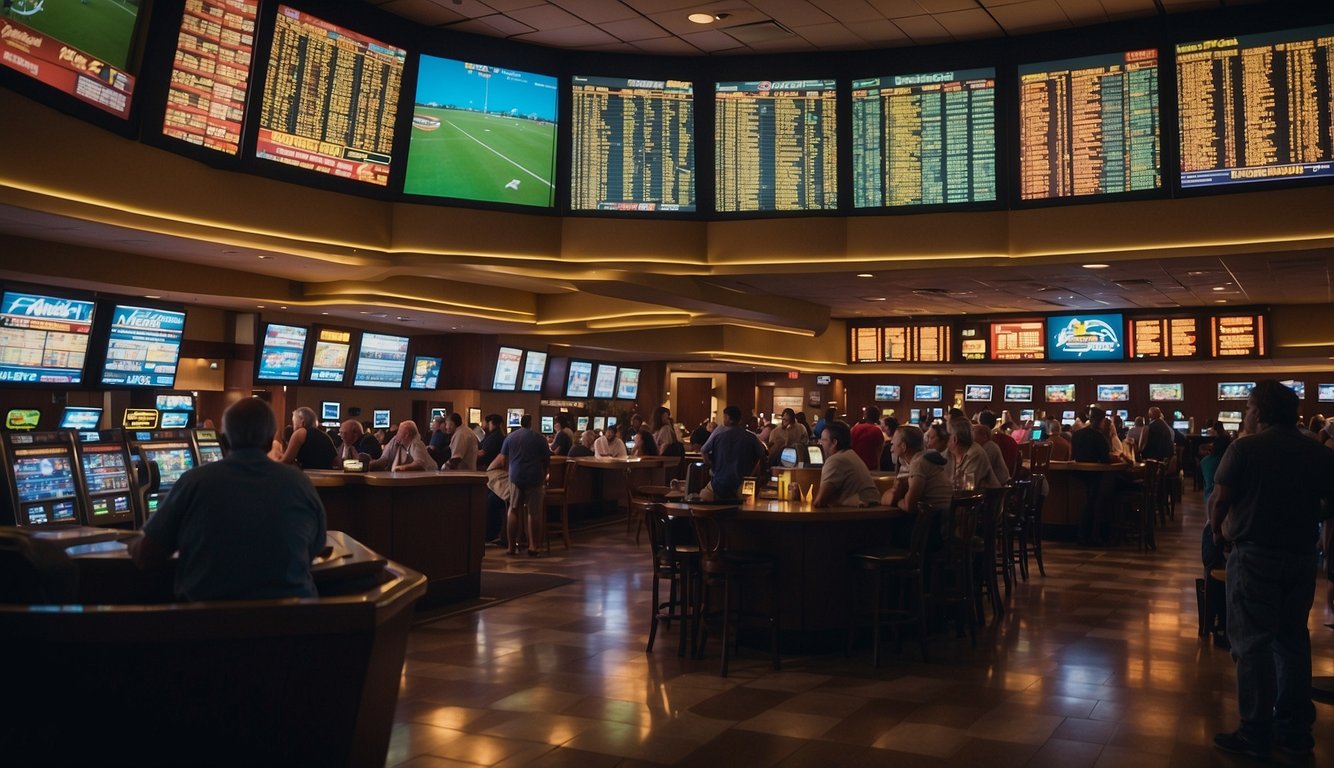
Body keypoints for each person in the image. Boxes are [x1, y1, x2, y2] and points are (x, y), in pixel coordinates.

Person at [1209, 380, 1334, 759]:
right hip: (1299, 558)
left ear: (1259, 412)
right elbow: (1329, 504)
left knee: (1251, 645)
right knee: (1293, 641)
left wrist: (1218, 532)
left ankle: (1255, 731)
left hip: (1253, 555)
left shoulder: (1244, 448)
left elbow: (1219, 500)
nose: (1246, 414)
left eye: (1248, 408)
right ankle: (1295, 730)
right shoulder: (1317, 451)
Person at [129, 398, 326, 601]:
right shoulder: (300, 483)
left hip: (209, 624)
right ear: (269, 441)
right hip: (294, 623)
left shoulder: (195, 481)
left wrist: (131, 541)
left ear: (224, 440)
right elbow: (315, 548)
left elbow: (146, 554)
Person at [489, 415, 549, 557]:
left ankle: (511, 547)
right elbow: (546, 460)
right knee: (533, 512)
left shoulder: (510, 437)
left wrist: (490, 470)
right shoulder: (539, 438)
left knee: (513, 509)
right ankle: (533, 546)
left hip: (515, 477)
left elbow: (502, 459)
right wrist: (544, 474)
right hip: (534, 477)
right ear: (531, 423)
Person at [880, 425, 952, 515]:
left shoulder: (918, 463)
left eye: (893, 443)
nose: (891, 449)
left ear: (903, 446)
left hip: (935, 522)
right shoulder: (925, 459)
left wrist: (897, 501)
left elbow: (908, 505)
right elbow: (887, 497)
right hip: (944, 519)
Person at [699, 405, 766, 502]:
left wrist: (709, 464)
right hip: (742, 484)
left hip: (719, 484)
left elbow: (704, 450)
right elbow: (762, 456)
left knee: (703, 496)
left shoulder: (718, 436)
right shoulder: (751, 437)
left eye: (724, 417)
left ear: (728, 418)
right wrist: (752, 474)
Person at [813, 420, 880, 507]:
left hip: (859, 516)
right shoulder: (850, 455)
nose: (820, 443)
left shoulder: (836, 460)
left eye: (823, 440)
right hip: (872, 512)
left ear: (834, 442)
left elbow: (820, 502)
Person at [945, 418, 999, 490]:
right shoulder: (948, 453)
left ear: (955, 439)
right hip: (961, 498)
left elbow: (967, 487)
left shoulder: (975, 453)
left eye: (945, 436)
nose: (943, 439)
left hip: (986, 499)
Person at [369, 421, 435, 471]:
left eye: (399, 431)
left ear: (406, 434)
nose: (396, 435)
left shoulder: (416, 443)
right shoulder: (397, 442)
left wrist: (401, 468)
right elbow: (384, 459)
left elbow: (420, 464)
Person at [979, 410, 1019, 477]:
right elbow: (1018, 462)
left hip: (991, 482)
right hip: (1009, 480)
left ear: (980, 423)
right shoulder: (1010, 440)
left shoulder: (985, 443)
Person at [849, 406, 884, 471]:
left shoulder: (855, 428)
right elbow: (879, 452)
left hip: (855, 465)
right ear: (877, 417)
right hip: (871, 467)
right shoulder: (877, 431)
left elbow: (849, 446)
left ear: (865, 415)